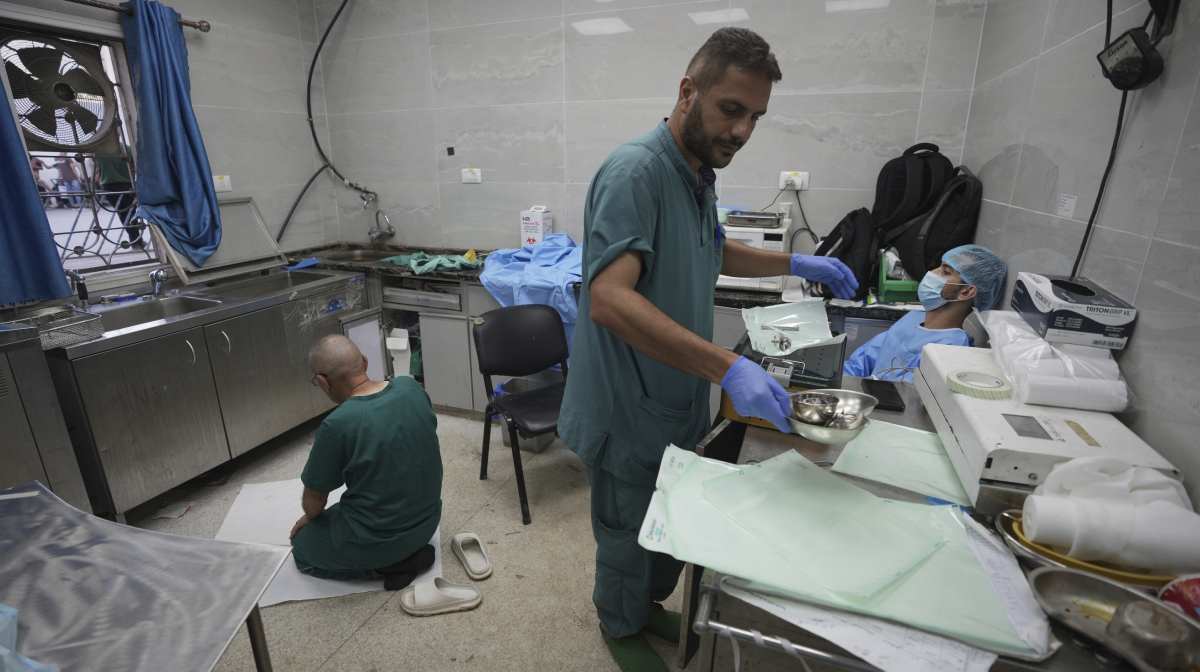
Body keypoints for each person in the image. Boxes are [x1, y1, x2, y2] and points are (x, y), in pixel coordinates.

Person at [558, 27, 858, 672]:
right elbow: (610, 299)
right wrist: (729, 366)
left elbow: (714, 247)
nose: (742, 132)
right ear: (688, 91)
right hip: (626, 403)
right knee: (626, 531)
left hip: (672, 395)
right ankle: (619, 624)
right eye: (731, 109)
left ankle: (642, 605)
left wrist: (794, 261)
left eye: (755, 117)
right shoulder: (635, 170)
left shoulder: (695, 171)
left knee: (665, 522)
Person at [290, 335, 442, 590]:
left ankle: (388, 565)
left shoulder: (338, 424)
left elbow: (314, 503)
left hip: (380, 540)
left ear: (322, 382)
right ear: (365, 362)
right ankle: (404, 553)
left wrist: (310, 519)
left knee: (303, 547)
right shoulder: (411, 388)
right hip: (427, 524)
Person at [844, 244, 1007, 382]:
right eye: (939, 267)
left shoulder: (952, 349)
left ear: (966, 292)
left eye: (946, 272)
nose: (932, 274)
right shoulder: (914, 318)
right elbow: (864, 359)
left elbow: (910, 396)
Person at [95, 154, 142, 248]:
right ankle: (136, 241)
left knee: (122, 214)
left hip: (109, 186)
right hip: (127, 184)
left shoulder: (99, 152)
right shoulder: (126, 149)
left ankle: (135, 240)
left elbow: (97, 170)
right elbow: (134, 167)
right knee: (131, 213)